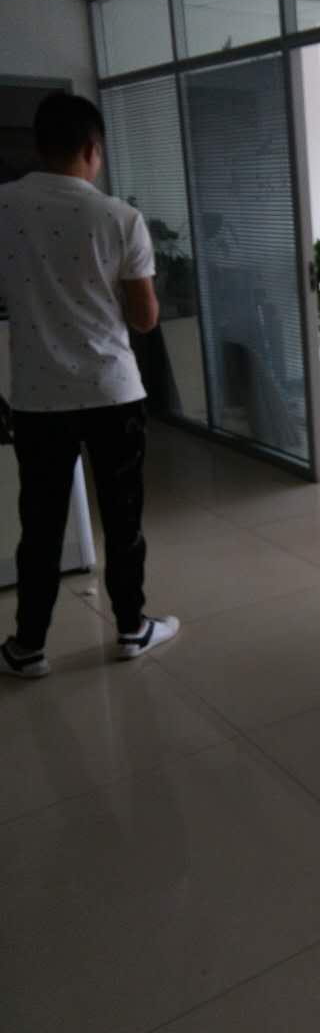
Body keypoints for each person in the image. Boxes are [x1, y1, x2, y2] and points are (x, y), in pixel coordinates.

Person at [0, 92, 178, 678]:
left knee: (41, 526)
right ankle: (131, 628)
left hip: (38, 397)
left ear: (38, 146)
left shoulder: (5, 206)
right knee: (123, 520)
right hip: (111, 392)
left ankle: (28, 647)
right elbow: (145, 318)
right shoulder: (119, 218)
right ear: (91, 149)